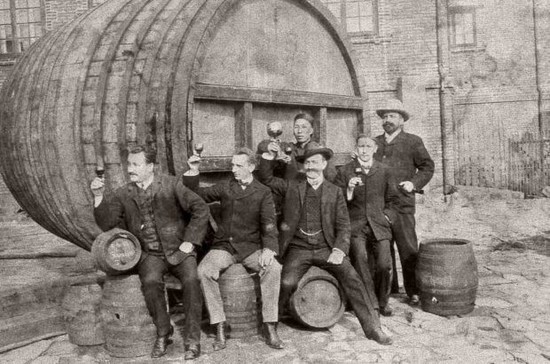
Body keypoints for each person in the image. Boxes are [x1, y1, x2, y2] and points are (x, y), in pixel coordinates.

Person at [258, 144, 393, 345]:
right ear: (304, 166)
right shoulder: (292, 186)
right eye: (308, 162)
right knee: (286, 282)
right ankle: (271, 327)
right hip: (299, 248)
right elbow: (267, 179)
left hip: (327, 248)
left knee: (352, 278)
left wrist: (339, 250)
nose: (311, 166)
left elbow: (344, 226)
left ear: (324, 164)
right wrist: (269, 155)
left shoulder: (335, 191)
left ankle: (373, 328)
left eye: (315, 162)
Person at [91, 144, 209, 360]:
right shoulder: (123, 193)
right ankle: (164, 333)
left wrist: (190, 242)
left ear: (151, 166)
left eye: (136, 164)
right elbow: (108, 224)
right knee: (151, 283)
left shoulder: (171, 184)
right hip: (151, 254)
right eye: (129, 164)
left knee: (192, 281)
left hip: (179, 250)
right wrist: (98, 196)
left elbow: (201, 209)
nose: (130, 169)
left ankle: (193, 340)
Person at [183, 148, 284, 351]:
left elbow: (269, 224)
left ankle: (270, 326)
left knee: (274, 268)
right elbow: (197, 194)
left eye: (238, 166)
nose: (234, 170)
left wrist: (269, 249)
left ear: (251, 167)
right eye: (232, 165)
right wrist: (193, 171)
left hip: (251, 248)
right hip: (225, 246)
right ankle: (220, 326)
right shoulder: (226, 187)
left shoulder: (263, 192)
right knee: (203, 271)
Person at [373, 99, 435, 305]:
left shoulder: (413, 141)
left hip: (402, 204)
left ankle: (414, 290)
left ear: (402, 120)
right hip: (380, 205)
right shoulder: (375, 143)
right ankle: (389, 289)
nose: (387, 120)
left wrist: (413, 183)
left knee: (407, 247)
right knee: (383, 247)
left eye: (392, 116)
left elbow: (427, 166)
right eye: (385, 117)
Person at [333, 135, 394, 316]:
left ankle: (383, 301)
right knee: (360, 259)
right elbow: (335, 200)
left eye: (368, 146)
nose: (364, 150)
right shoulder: (345, 171)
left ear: (375, 149)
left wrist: (388, 216)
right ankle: (371, 303)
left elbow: (394, 199)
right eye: (361, 146)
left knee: (384, 264)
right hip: (355, 225)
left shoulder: (384, 170)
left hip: (379, 225)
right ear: (356, 148)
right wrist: (349, 189)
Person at [257, 112, 337, 181]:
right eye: (296, 127)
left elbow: (331, 179)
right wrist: (269, 146)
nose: (299, 131)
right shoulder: (288, 147)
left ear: (311, 131)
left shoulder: (319, 151)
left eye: (304, 127)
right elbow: (261, 145)